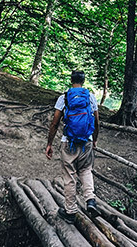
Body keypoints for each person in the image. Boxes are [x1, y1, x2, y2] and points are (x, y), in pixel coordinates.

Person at [45, 70, 101, 224]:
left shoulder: (64, 98)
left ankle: (70, 212)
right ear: (83, 81)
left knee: (70, 176)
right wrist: (94, 139)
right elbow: (96, 122)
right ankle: (90, 200)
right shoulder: (90, 97)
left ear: (71, 80)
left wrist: (49, 144)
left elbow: (55, 123)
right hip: (86, 141)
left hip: (68, 142)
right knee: (86, 170)